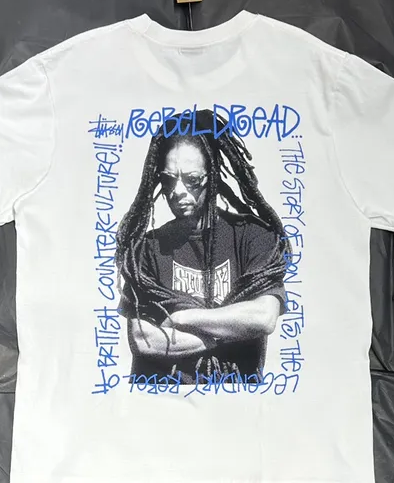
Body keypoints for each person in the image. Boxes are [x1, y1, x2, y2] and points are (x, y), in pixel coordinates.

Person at [116, 108, 289, 383]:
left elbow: (263, 317)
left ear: (213, 176)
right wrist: (230, 331)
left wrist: (182, 318)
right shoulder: (146, 250)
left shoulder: (253, 237)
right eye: (169, 179)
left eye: (192, 180)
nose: (178, 191)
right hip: (159, 402)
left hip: (236, 402)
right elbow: (144, 339)